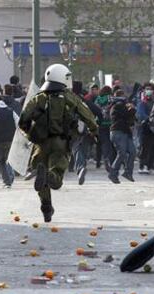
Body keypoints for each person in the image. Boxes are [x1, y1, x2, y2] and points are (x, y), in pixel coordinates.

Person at [19, 64, 98, 223]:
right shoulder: (70, 97)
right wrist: (94, 131)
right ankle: (48, 175)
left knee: (42, 178)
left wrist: (31, 135)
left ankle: (46, 208)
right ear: (63, 78)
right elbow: (88, 116)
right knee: (55, 178)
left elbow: (23, 121)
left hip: (40, 145)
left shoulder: (38, 98)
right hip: (61, 143)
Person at [0, 82, 19, 188]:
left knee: (0, 162)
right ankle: (10, 177)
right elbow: (19, 124)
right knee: (9, 160)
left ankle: (7, 181)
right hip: (10, 140)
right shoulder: (10, 111)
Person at [108, 90, 137, 184]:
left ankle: (128, 172)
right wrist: (132, 109)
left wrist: (131, 110)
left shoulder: (122, 106)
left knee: (132, 152)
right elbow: (126, 115)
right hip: (118, 132)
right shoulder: (117, 106)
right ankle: (113, 174)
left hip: (125, 132)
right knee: (122, 154)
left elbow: (131, 120)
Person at [137, 83, 154, 174]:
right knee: (145, 148)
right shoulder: (142, 102)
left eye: (150, 89)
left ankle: (149, 166)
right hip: (145, 128)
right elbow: (141, 114)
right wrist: (149, 119)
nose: (149, 91)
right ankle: (142, 166)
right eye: (147, 89)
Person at [95, 86, 115, 172]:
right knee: (111, 144)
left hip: (100, 124)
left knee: (104, 143)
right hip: (111, 124)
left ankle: (105, 158)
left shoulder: (98, 99)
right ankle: (111, 161)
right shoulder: (111, 98)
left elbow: (95, 109)